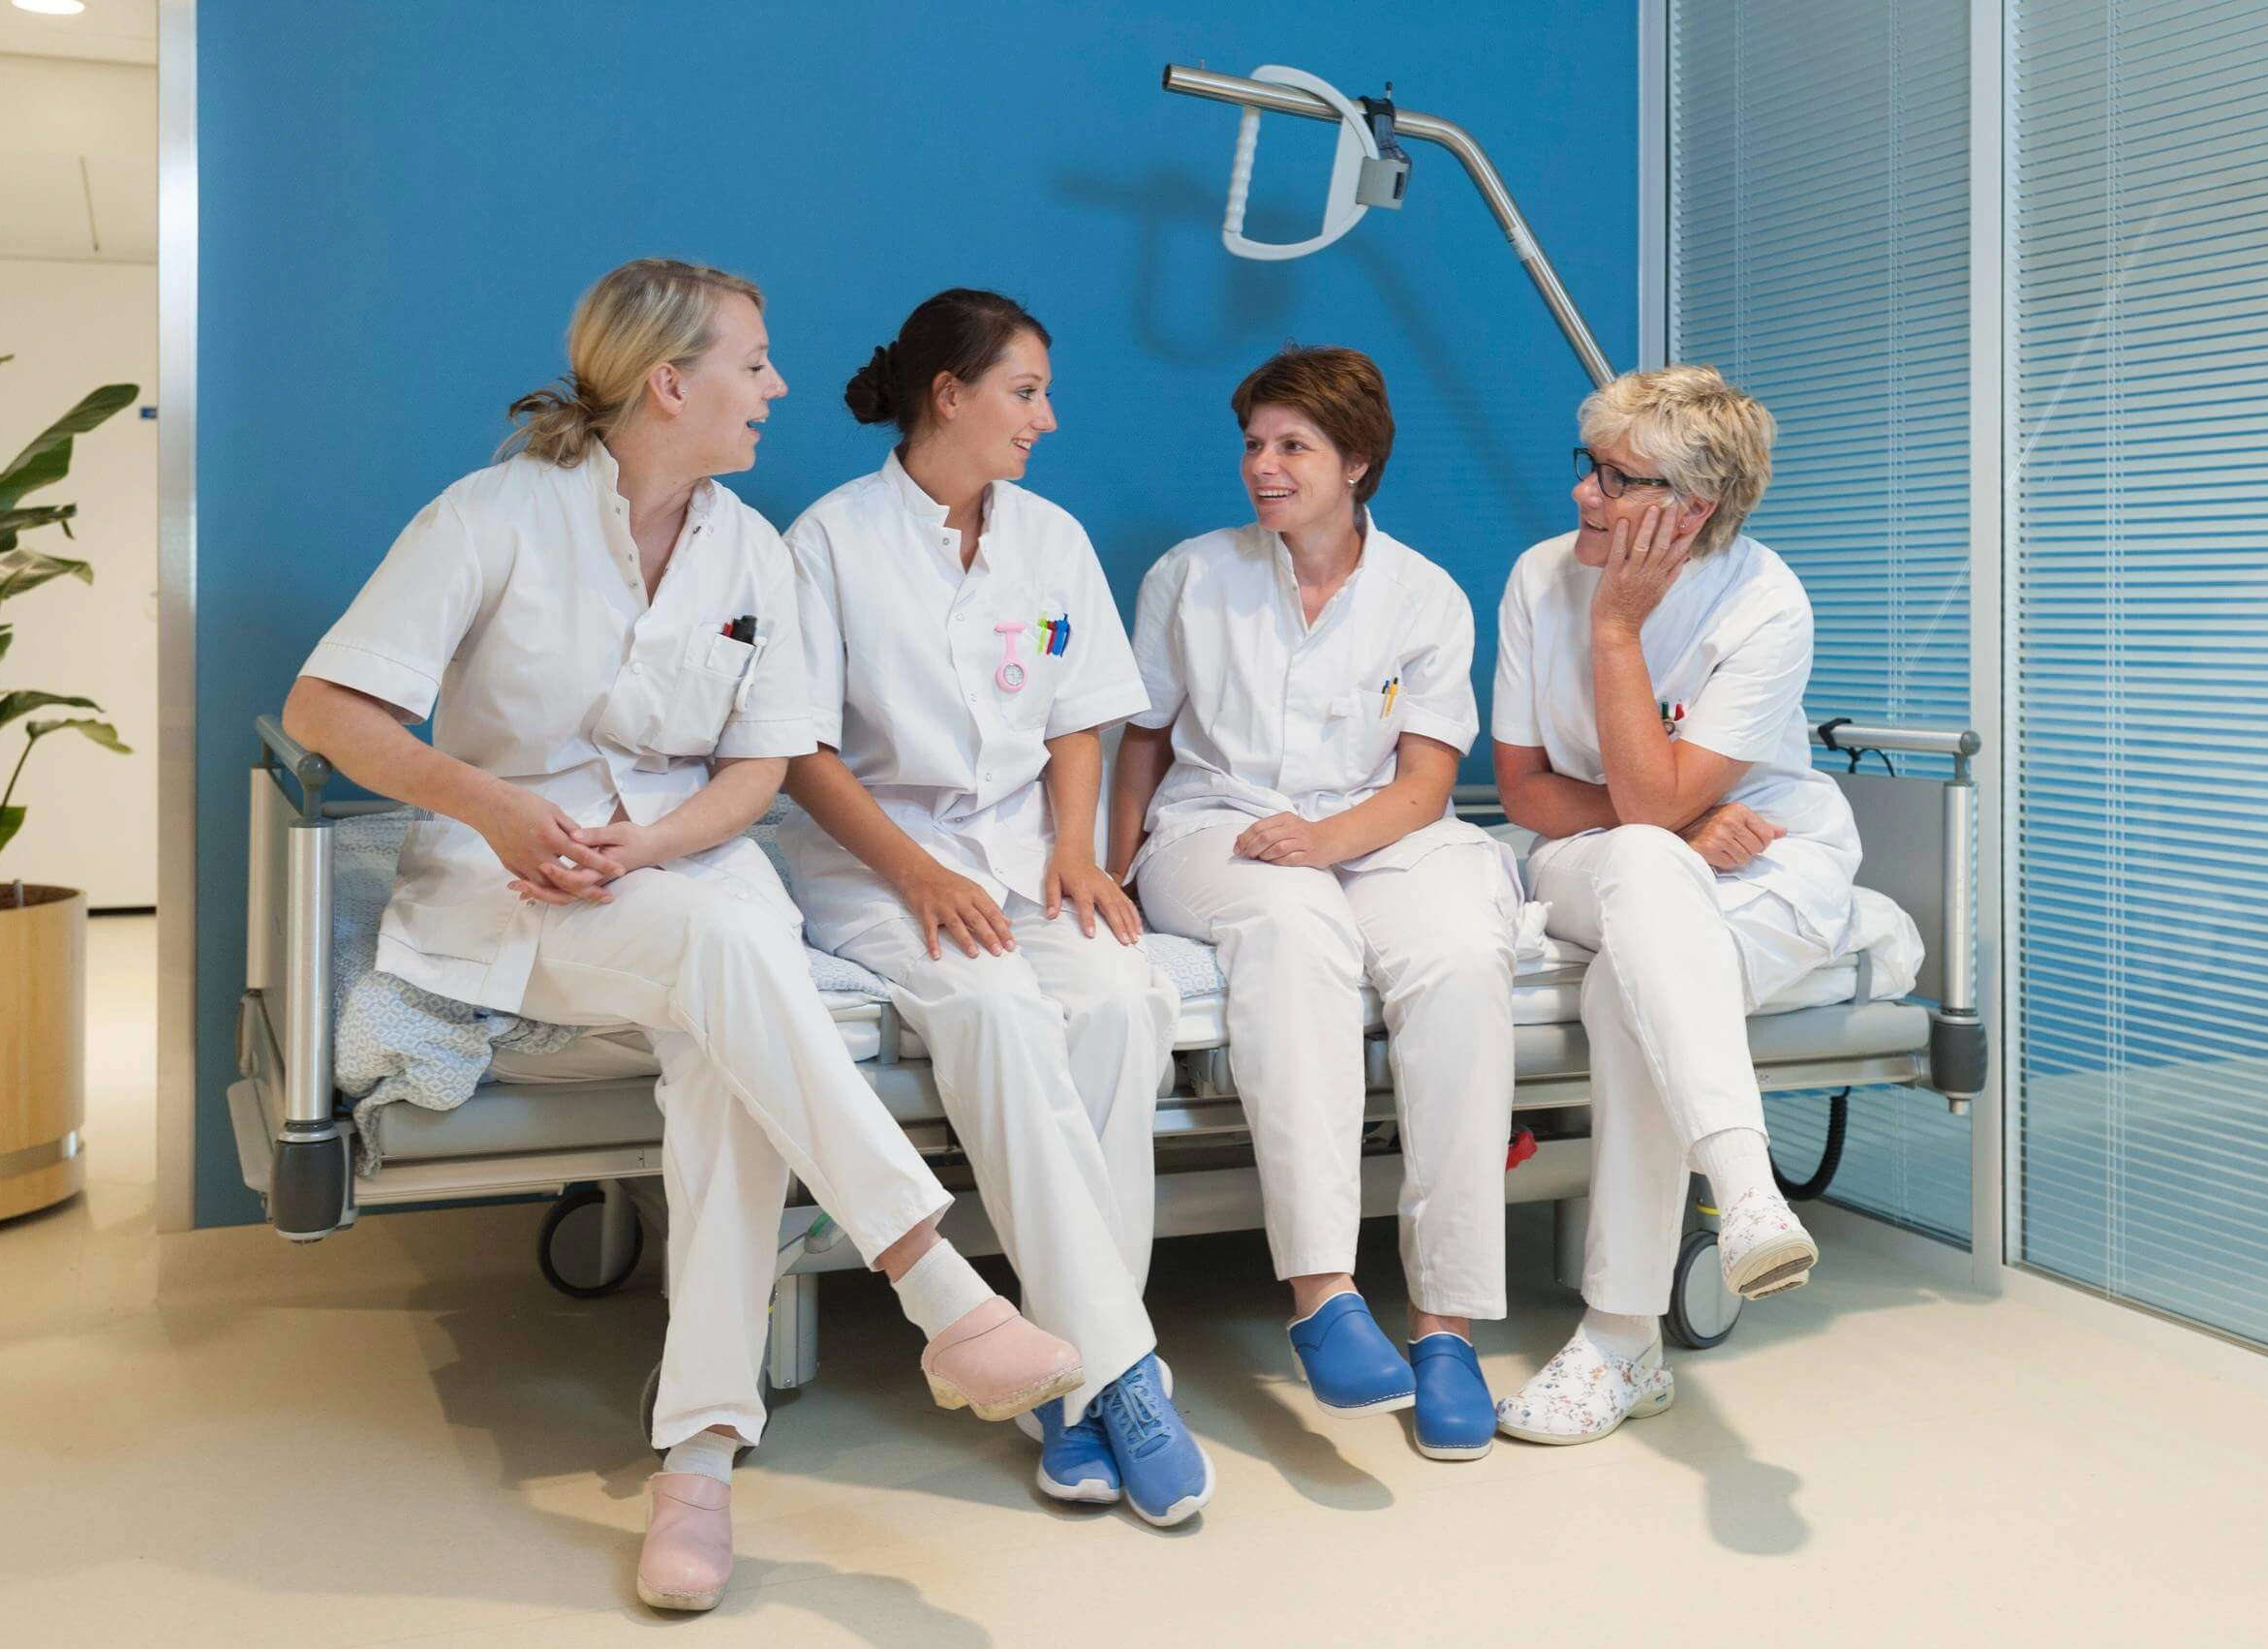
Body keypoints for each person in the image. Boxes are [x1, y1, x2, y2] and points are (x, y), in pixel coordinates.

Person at [280, 260, 1084, 1613]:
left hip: (681, 870)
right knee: (729, 957)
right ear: (670, 380)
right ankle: (939, 1287)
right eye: (754, 363)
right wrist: (498, 807)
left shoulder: (750, 551)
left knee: (729, 1028)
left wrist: (649, 844)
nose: (777, 387)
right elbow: (326, 707)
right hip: (513, 890)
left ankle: (698, 1460)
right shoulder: (495, 516)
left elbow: (759, 771)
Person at [780, 288, 1211, 1526]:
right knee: (998, 1015)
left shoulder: (1048, 536)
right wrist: (914, 871)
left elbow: (1083, 712)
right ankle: (1122, 1378)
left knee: (1124, 1000)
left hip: (1024, 850)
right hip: (879, 860)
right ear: (948, 393)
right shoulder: (830, 539)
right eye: (1025, 391)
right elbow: (799, 746)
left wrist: (1075, 851)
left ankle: (1069, 1382)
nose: (1047, 417)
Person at [1109, 346, 1518, 1463]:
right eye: (1253, 443)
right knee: (1296, 929)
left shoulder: (1423, 594)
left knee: (1461, 957)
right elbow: (1141, 738)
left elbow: (1427, 782)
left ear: (1357, 460)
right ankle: (1323, 1296)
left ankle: (1446, 1327)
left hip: (1375, 830)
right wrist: (1109, 870)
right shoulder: (1192, 574)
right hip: (1215, 829)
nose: (1263, 465)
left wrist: (1329, 838)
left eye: (1292, 445)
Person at [1486, 364, 1857, 1446]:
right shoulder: (1538, 578)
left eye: (1618, 479)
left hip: (1764, 866)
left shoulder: (1764, 601)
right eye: (1586, 467)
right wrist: (1613, 630)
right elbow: (1528, 793)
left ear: (1690, 511)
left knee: (1624, 994)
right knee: (1649, 867)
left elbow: (1659, 805)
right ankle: (1742, 1180)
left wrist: (1676, 811)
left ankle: (1620, 1340)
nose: (1583, 496)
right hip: (1587, 853)